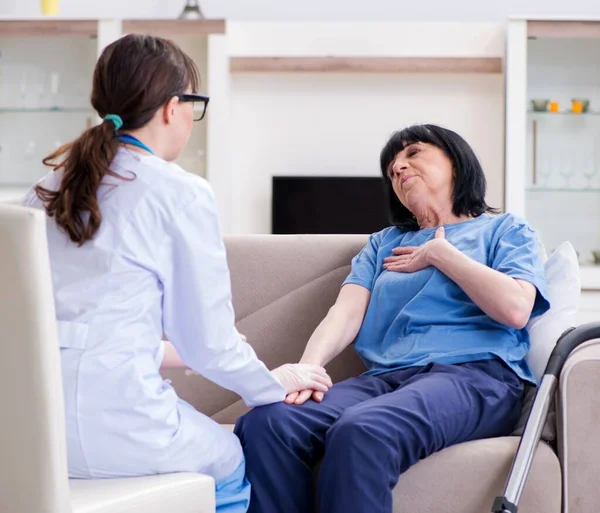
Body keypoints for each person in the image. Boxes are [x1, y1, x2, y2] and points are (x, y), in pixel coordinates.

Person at [22, 34, 332, 512]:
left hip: (33, 432)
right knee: (230, 462)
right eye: (195, 103)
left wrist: (162, 350)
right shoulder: (179, 192)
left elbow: (77, 323)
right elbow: (209, 342)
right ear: (172, 107)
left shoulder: (43, 190)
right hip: (124, 429)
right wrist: (273, 381)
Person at [235, 124, 550, 513]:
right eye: (391, 168)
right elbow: (346, 312)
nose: (399, 168)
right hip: (385, 380)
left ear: (456, 161)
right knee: (268, 422)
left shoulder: (506, 230)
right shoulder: (384, 243)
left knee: (363, 430)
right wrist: (308, 367)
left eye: (413, 153)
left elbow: (516, 309)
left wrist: (442, 254)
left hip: (476, 376)